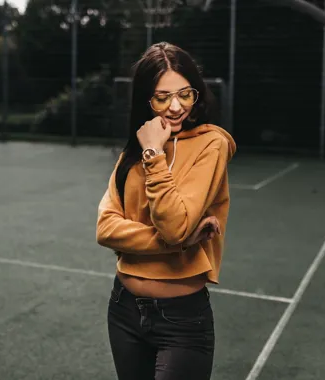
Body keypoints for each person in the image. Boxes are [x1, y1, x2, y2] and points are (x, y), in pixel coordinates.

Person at [95, 42, 237, 380]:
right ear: (146, 99)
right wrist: (182, 245)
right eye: (162, 98)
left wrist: (155, 157)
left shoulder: (211, 144)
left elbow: (174, 225)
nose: (176, 107)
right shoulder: (136, 147)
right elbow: (106, 228)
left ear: (197, 94)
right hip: (123, 308)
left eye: (185, 95)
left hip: (182, 317)